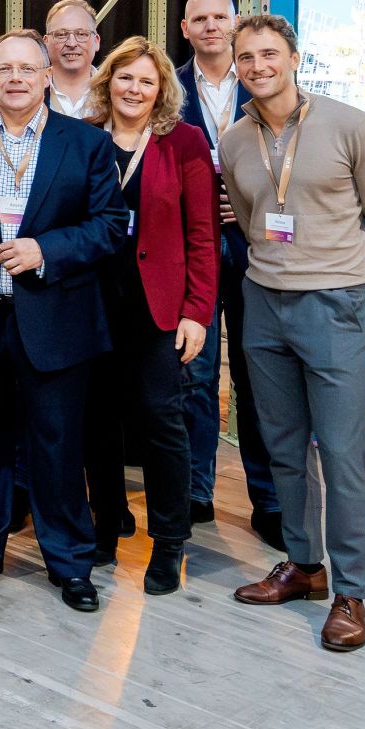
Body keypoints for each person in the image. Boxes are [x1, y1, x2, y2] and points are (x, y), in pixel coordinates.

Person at [223, 15, 365, 653]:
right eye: (246, 57)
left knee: (341, 454)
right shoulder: (235, 140)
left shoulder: (352, 126)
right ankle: (305, 566)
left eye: (268, 53)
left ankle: (351, 592)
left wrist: (350, 277)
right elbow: (250, 216)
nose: (257, 66)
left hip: (333, 305)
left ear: (294, 57)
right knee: (283, 446)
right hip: (262, 302)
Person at [0, 30, 124, 613]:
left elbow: (110, 225)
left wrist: (47, 249)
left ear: (46, 76)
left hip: (56, 320)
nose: (15, 78)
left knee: (57, 447)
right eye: (4, 69)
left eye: (26, 69)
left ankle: (70, 561)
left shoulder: (86, 142)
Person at [80, 37, 217, 595]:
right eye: (125, 78)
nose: (134, 89)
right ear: (107, 81)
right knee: (97, 423)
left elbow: (203, 234)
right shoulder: (84, 137)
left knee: (161, 422)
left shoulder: (184, 142)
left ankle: (168, 540)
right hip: (91, 305)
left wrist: (197, 312)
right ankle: (107, 524)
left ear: (161, 90)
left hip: (158, 308)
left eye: (146, 81)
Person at [176, 0, 283, 548]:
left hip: (254, 250)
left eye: (221, 17)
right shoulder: (168, 87)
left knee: (256, 375)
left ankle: (269, 500)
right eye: (201, 18)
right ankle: (196, 492)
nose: (211, 26)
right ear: (186, 28)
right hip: (189, 251)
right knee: (194, 377)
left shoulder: (265, 85)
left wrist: (245, 206)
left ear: (235, 24)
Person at [44, 0, 101, 118]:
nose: (72, 43)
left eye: (81, 34)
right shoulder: (30, 90)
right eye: (61, 35)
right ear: (46, 42)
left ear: (96, 41)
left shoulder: (113, 91)